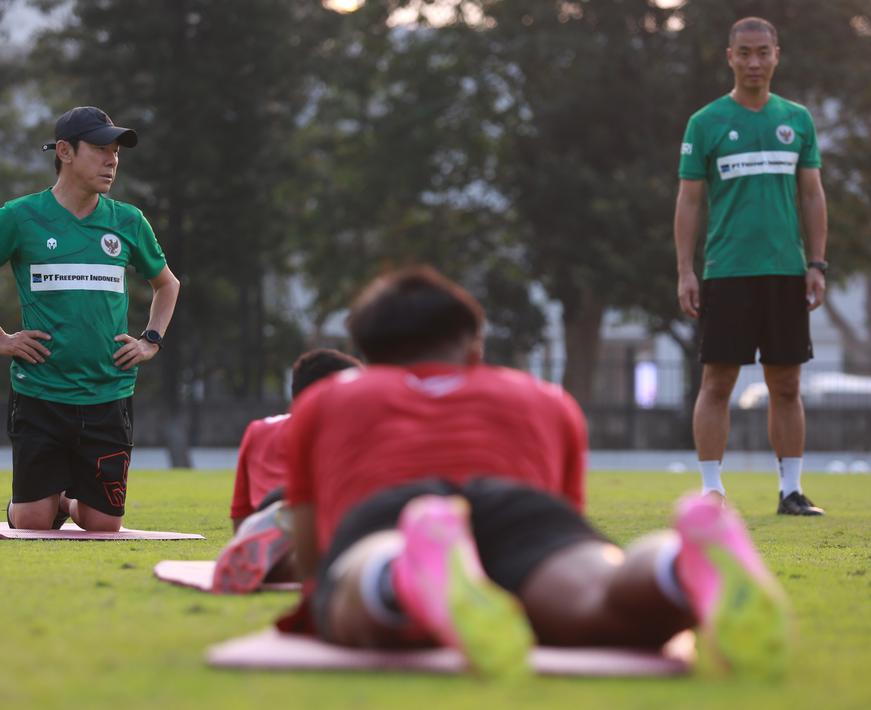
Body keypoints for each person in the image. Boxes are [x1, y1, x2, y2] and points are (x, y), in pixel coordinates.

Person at [280, 266, 789, 678]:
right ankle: (677, 564)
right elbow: (564, 523)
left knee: (363, 586)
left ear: (368, 355)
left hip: (390, 511)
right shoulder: (544, 399)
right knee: (601, 599)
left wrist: (328, 588)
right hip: (520, 509)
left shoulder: (329, 399)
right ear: (474, 350)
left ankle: (404, 571)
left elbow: (311, 552)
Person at [0, 106, 180, 531]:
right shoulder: (19, 216)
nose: (111, 160)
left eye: (115, 152)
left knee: (102, 526)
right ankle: (43, 504)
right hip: (40, 393)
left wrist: (150, 340)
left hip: (108, 393)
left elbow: (168, 285)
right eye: (99, 149)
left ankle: (69, 503)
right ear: (64, 152)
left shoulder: (128, 221)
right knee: (32, 521)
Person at [674, 17, 828, 515]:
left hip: (785, 271)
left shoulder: (797, 119)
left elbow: (811, 194)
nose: (755, 61)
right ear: (730, 57)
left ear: (777, 55)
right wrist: (685, 270)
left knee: (786, 385)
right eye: (745, 52)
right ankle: (712, 491)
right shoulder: (706, 122)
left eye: (763, 51)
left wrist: (817, 262)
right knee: (717, 382)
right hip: (726, 271)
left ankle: (791, 491)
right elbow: (690, 202)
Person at [213, 348, 363, 593]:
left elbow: (240, 513)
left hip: (266, 516)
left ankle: (273, 553)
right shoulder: (349, 433)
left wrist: (245, 536)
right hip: (311, 512)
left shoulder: (259, 428)